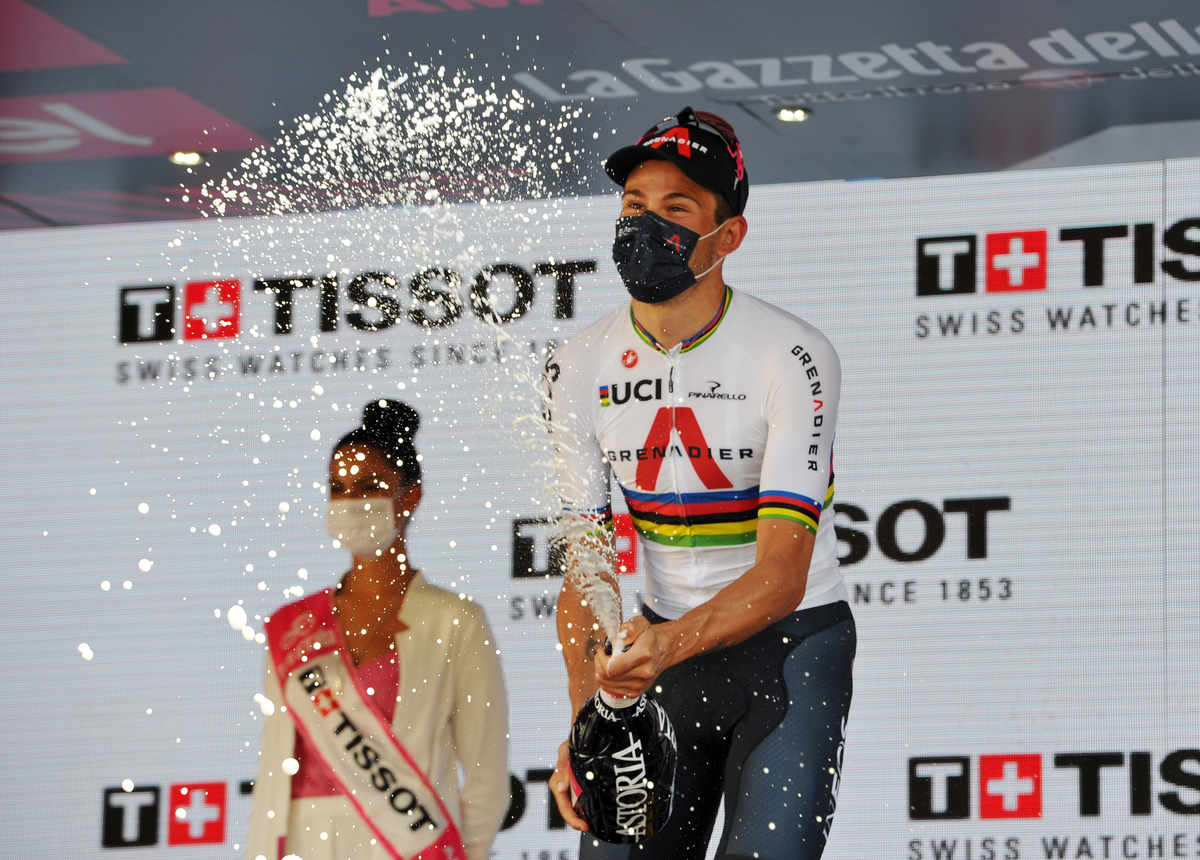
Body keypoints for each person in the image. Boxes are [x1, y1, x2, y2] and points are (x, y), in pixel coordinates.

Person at [543, 107, 856, 860]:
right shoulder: (575, 365)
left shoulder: (793, 355)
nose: (646, 225)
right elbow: (586, 571)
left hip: (789, 646)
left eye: (677, 209)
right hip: (660, 648)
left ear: (729, 235)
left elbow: (780, 575)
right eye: (634, 205)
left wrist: (665, 645)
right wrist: (590, 719)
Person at [245, 399, 509, 860]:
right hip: (308, 844)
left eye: (368, 487)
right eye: (338, 488)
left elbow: (487, 777)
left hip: (412, 845)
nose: (351, 503)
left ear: (410, 496)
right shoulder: (293, 629)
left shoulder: (456, 621)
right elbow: (273, 775)